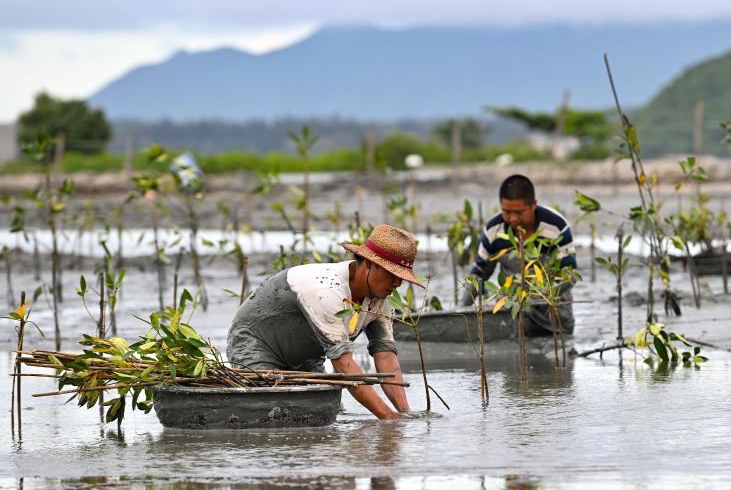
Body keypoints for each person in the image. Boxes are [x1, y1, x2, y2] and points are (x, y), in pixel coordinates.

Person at [227, 224, 421, 420]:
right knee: (273, 411)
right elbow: (344, 365)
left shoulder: (381, 300)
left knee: (323, 412)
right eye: (392, 275)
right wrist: (388, 417)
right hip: (257, 344)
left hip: (306, 357)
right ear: (370, 264)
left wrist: (405, 414)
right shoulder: (327, 289)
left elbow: (386, 356)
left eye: (402, 278)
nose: (398, 284)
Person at [462, 174, 576, 335]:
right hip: (512, 314)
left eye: (519, 212)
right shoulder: (494, 231)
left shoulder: (556, 227)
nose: (513, 219)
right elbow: (479, 273)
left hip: (554, 316)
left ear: (533, 205)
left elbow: (570, 274)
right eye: (506, 212)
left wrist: (539, 295)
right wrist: (461, 310)